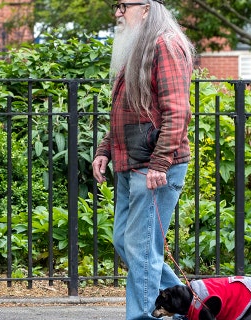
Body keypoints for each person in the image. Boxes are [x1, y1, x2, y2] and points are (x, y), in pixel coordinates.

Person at [91, 1, 195, 319]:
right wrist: (105, 149)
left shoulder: (165, 44)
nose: (118, 12)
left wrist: (160, 162)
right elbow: (128, 110)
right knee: (126, 242)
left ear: (146, 8)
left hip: (152, 168)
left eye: (124, 5)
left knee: (140, 248)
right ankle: (188, 305)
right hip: (130, 164)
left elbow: (177, 111)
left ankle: (145, 317)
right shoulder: (140, 47)